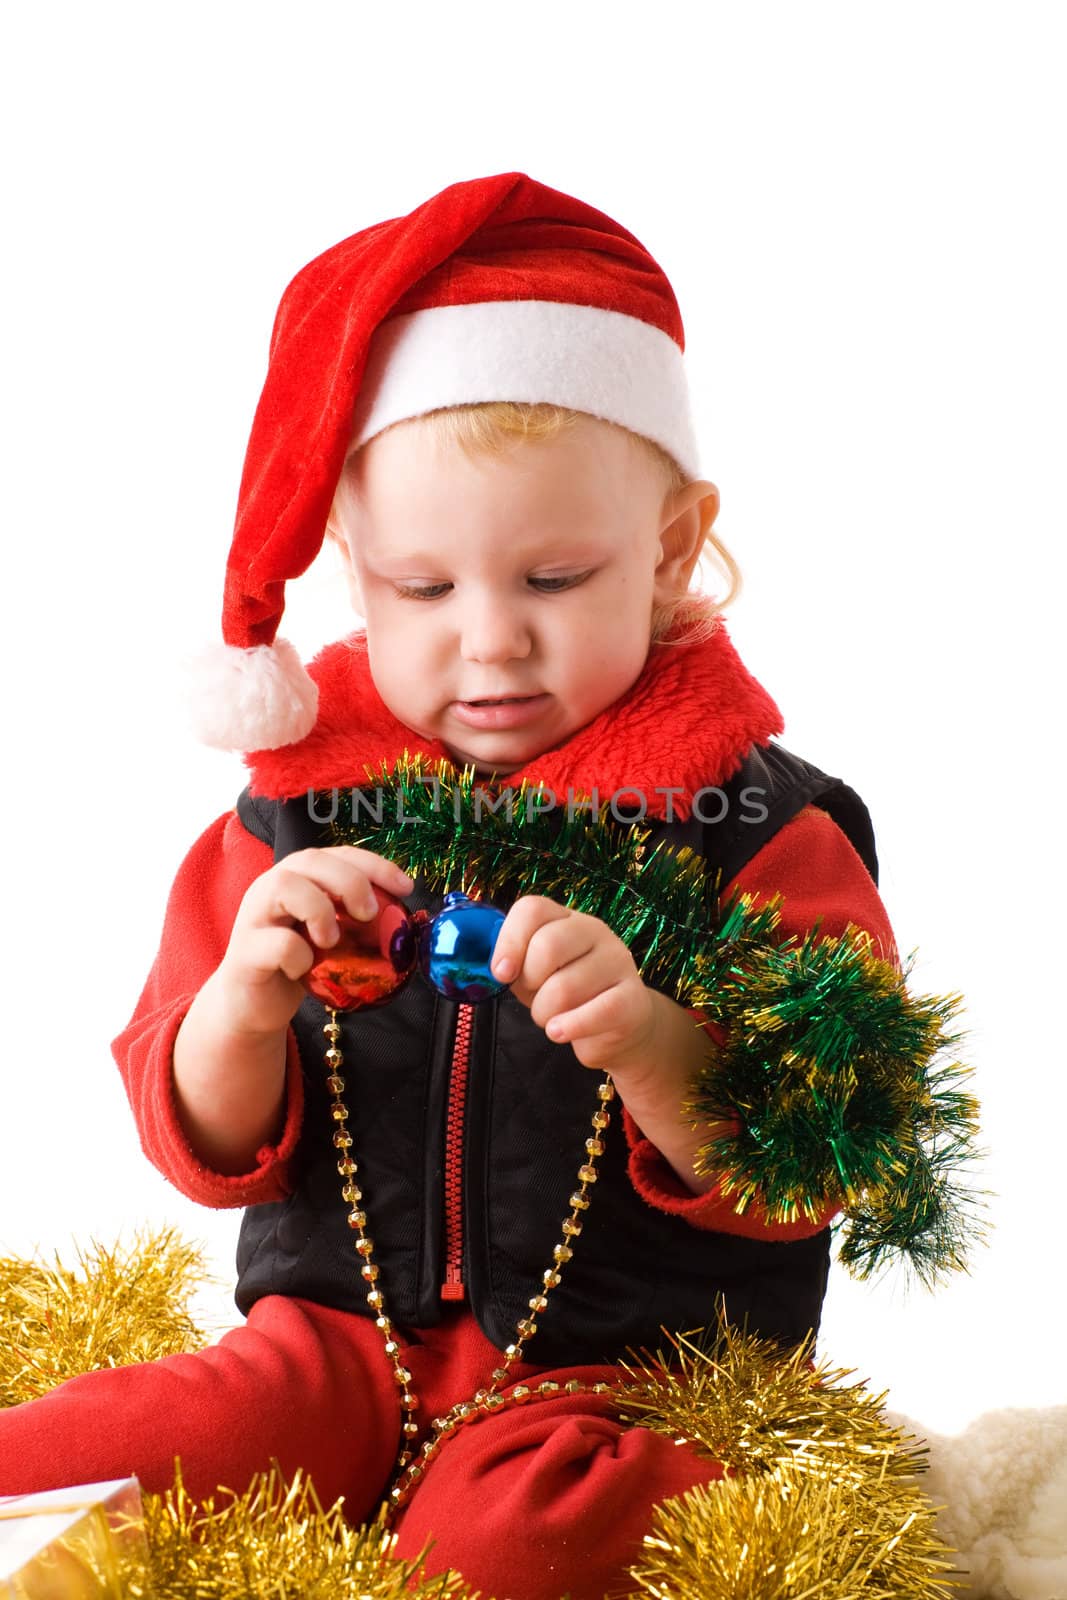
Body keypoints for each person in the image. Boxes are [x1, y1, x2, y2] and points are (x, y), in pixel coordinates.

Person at [0, 173, 898, 1599]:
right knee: (96, 1454)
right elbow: (201, 1133)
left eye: (553, 576)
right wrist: (242, 1004)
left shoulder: (754, 824)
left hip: (619, 1383)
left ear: (670, 550)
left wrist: (651, 1038)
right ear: (353, 567)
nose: (492, 644)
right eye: (425, 589)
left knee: (507, 1543)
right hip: (330, 1348)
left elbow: (832, 1150)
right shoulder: (299, 810)